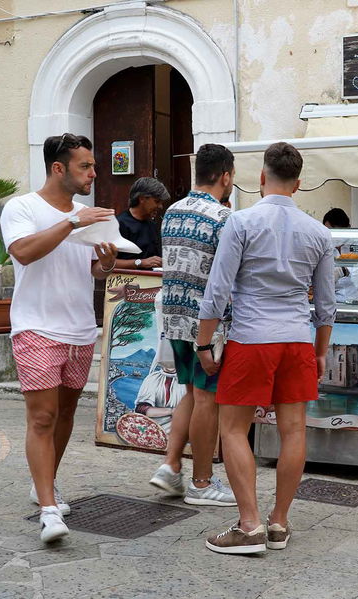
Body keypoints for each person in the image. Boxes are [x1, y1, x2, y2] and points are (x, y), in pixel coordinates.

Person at [197, 142, 335, 554]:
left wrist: (204, 343)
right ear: (299, 183)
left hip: (252, 337)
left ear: (261, 178)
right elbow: (326, 305)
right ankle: (278, 522)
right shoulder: (319, 232)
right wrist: (321, 351)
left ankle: (249, 524)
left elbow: (217, 290)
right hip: (296, 340)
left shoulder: (240, 223)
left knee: (234, 429)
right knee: (294, 431)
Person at [0, 133, 118, 543]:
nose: (93, 173)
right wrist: (70, 222)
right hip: (36, 326)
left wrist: (104, 264)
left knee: (66, 415)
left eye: (92, 165)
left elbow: (91, 270)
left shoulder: (87, 213)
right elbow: (24, 252)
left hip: (80, 329)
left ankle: (44, 482)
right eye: (85, 166)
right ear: (58, 168)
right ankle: (49, 510)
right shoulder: (22, 207)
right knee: (43, 417)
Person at [147, 144, 236, 508]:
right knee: (206, 400)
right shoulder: (223, 218)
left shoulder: (172, 210)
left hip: (173, 316)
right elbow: (228, 274)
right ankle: (201, 482)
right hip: (207, 325)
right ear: (225, 176)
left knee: (189, 392)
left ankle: (170, 465)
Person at [113, 177, 168, 270]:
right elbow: (106, 263)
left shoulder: (152, 225)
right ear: (142, 198)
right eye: (157, 201)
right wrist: (140, 262)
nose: (160, 206)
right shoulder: (119, 224)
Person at [322, 208, 358, 303]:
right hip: (330, 302)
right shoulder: (324, 248)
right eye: (329, 231)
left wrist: (343, 270)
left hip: (356, 299)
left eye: (336, 230)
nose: (333, 235)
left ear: (348, 227)